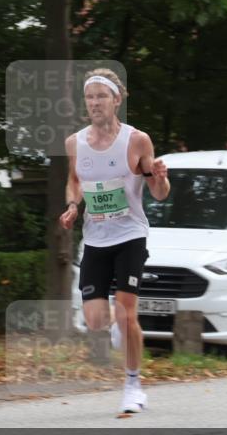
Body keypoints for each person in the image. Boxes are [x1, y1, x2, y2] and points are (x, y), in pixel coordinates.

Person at [59, 69, 170, 413]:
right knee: (94, 320)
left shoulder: (137, 141)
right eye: (89, 97)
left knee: (126, 312)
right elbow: (75, 181)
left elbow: (159, 192)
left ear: (116, 100)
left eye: (101, 96)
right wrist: (73, 206)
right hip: (95, 238)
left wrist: (161, 180)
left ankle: (133, 386)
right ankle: (119, 328)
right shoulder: (75, 143)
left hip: (130, 235)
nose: (94, 102)